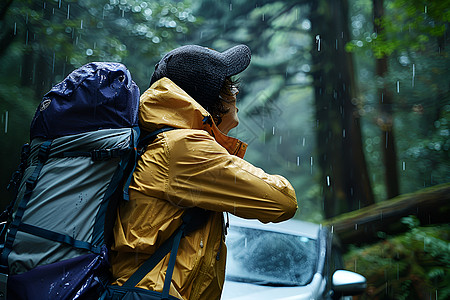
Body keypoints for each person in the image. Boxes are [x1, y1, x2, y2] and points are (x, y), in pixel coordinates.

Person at [110, 44, 298, 300]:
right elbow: (282, 202)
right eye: (229, 87)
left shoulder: (160, 139)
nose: (236, 93)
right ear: (210, 95)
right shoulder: (184, 150)